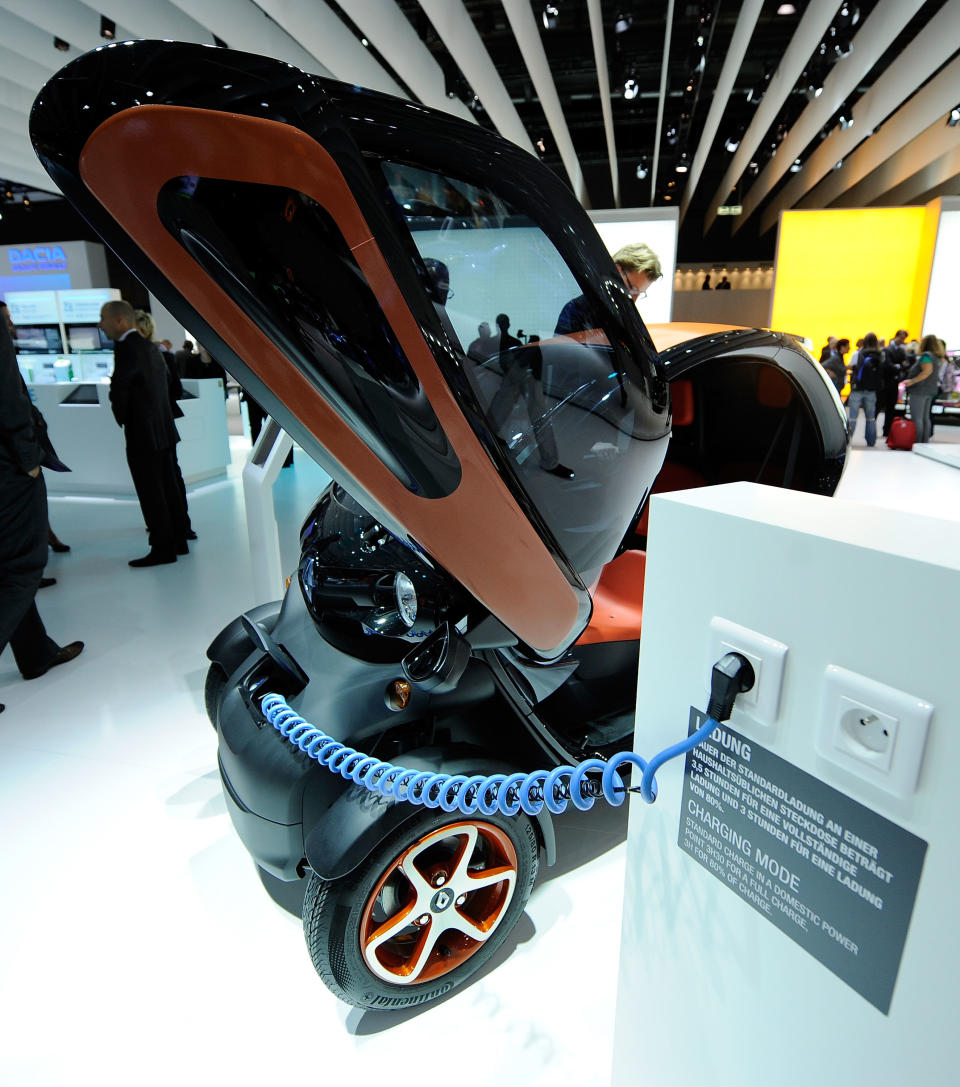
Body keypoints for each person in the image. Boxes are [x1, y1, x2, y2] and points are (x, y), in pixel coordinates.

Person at [0, 317, 83, 703]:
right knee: (22, 567)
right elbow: (8, 395)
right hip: (8, 468)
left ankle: (35, 653)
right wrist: (29, 457)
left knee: (8, 564)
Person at [99, 300, 188, 566]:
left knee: (151, 491)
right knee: (169, 486)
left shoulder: (126, 349)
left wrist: (122, 416)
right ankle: (179, 541)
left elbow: (121, 388)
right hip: (163, 429)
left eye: (103, 318)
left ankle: (163, 548)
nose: (100, 324)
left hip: (143, 434)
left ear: (120, 321)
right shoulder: (150, 346)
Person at [135, 309, 196, 541]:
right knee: (172, 476)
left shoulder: (151, 356)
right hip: (166, 425)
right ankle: (181, 526)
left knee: (163, 479)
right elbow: (176, 391)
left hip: (156, 428)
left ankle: (173, 527)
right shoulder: (163, 356)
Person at [554, 242, 662, 335]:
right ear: (618, 270)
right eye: (633, 289)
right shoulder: (576, 311)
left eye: (640, 293)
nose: (634, 299)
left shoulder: (632, 321)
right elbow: (561, 355)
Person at [903, 334, 943, 444]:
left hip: (920, 391)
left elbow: (927, 371)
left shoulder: (926, 356)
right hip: (930, 390)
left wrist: (912, 381)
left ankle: (917, 441)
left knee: (917, 418)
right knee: (925, 418)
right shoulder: (937, 357)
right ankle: (924, 442)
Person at [846, 332, 882, 446]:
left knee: (853, 417)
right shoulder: (881, 354)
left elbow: (851, 366)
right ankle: (871, 441)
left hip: (858, 388)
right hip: (872, 389)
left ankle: (848, 441)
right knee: (870, 417)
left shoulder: (858, 353)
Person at [877, 329, 908, 438]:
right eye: (901, 338)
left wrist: (898, 366)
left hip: (894, 383)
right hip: (885, 383)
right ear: (896, 337)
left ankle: (887, 431)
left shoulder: (901, 351)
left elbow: (905, 365)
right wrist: (899, 366)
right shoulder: (887, 349)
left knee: (891, 409)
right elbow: (888, 365)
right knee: (879, 406)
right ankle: (871, 431)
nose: (903, 340)